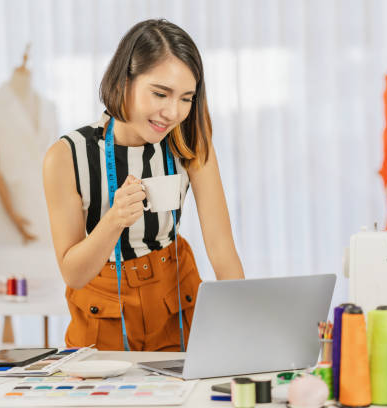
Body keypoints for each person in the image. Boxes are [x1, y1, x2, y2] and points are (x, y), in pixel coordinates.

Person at [43, 19, 244, 351]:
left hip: (175, 302)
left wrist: (244, 329)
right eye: (160, 94)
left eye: (185, 98)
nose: (172, 112)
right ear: (125, 80)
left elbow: (223, 252)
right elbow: (74, 275)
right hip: (103, 311)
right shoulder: (66, 156)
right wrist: (114, 219)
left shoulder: (190, 142)